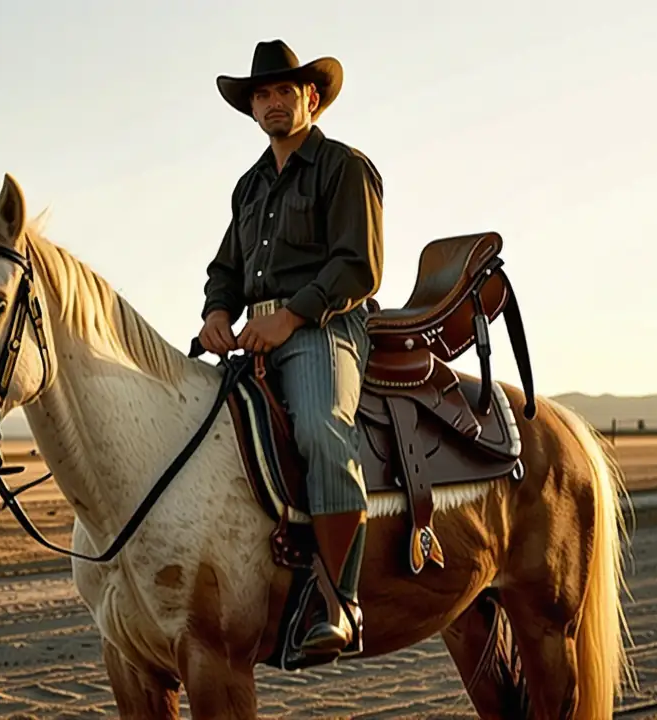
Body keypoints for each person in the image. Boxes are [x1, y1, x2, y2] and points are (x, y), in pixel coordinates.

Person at [198, 38, 384, 659]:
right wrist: (217, 312)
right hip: (255, 336)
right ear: (252, 108)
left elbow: (357, 267)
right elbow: (226, 268)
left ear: (311, 98)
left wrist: (290, 318)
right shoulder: (249, 187)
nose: (273, 102)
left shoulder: (343, 167)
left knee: (321, 429)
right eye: (262, 94)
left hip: (326, 328)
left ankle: (340, 602)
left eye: (285, 90)